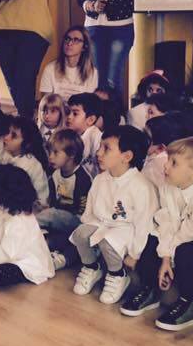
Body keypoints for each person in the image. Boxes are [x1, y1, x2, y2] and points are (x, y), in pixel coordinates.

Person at [120, 137, 193, 331]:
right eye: (168, 159)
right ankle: (149, 289)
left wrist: (167, 258)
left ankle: (190, 302)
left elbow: (187, 234)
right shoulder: (168, 186)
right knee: (151, 239)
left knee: (186, 252)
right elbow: (166, 222)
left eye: (174, 163)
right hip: (172, 236)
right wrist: (165, 257)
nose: (165, 165)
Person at [69, 125, 158, 305]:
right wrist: (88, 228)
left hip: (125, 229)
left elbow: (144, 224)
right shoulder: (100, 179)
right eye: (100, 147)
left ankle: (117, 274)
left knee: (108, 240)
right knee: (79, 234)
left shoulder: (141, 186)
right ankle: (92, 267)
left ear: (127, 156)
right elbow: (90, 210)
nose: (99, 153)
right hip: (101, 223)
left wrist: (134, 254)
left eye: (106, 148)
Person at [41, 130, 91, 271]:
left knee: (50, 215)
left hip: (77, 221)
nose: (50, 157)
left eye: (56, 153)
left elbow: (82, 210)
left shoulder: (82, 178)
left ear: (71, 155)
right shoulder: (55, 174)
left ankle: (24, 227)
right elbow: (53, 200)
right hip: (60, 219)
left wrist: (54, 213)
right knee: (50, 239)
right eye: (50, 152)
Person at [38, 26, 99, 98]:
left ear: (84, 47)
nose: (69, 43)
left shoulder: (92, 73)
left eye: (76, 40)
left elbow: (89, 102)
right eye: (67, 39)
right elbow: (46, 101)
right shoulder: (50, 68)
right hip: (56, 105)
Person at [65, 93, 103, 180]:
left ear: (90, 120)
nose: (69, 117)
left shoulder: (96, 136)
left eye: (75, 114)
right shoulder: (70, 135)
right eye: (68, 112)